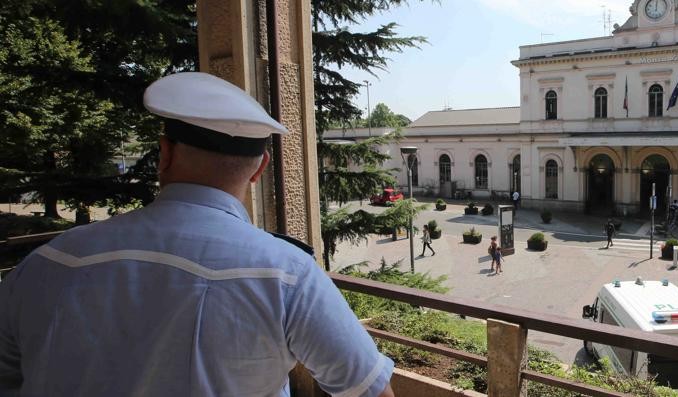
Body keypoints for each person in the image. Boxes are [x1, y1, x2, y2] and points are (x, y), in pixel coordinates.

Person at [0, 72, 395, 397]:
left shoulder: (47, 262)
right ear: (259, 170)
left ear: (165, 154)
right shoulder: (286, 274)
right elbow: (369, 390)